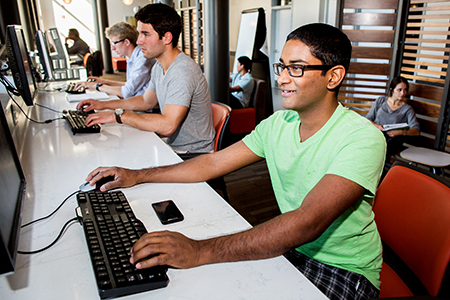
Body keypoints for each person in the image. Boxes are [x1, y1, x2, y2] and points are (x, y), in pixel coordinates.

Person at [84, 23, 386, 300]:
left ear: (333, 76)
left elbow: (306, 222)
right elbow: (212, 164)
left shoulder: (361, 138)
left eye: (296, 68)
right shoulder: (279, 123)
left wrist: (199, 250)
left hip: (345, 271)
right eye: (282, 66)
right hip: (294, 248)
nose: (281, 78)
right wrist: (139, 175)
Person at [76, 4, 215, 154]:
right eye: (139, 34)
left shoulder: (182, 71)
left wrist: (119, 115)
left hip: (192, 154)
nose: (138, 41)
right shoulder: (159, 66)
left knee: (119, 157)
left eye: (146, 34)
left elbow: (168, 126)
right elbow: (145, 101)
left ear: (167, 37)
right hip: (174, 146)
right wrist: (104, 105)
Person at [75, 22, 155, 99]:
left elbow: (126, 92)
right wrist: (104, 82)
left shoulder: (143, 58)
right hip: (138, 103)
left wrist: (96, 86)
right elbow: (129, 85)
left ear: (126, 42)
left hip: (146, 109)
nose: (112, 48)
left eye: (114, 43)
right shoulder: (132, 57)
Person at [366, 76, 420, 159]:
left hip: (392, 140)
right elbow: (368, 119)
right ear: (392, 89)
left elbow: (416, 131)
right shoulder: (381, 101)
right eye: (399, 90)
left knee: (380, 149)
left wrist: (400, 132)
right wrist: (378, 126)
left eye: (405, 90)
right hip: (376, 134)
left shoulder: (407, 109)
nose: (402, 93)